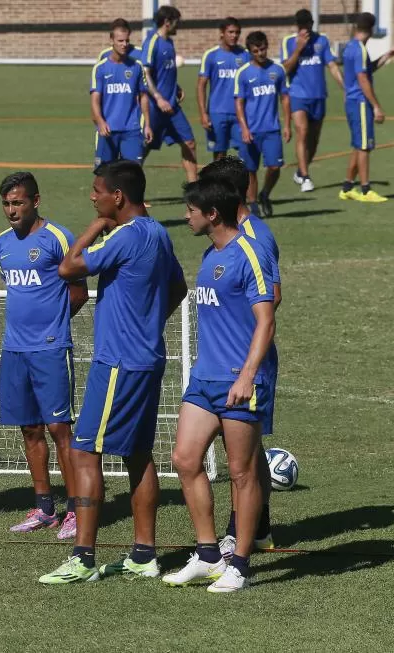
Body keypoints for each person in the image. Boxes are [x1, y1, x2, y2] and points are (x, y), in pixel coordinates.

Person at [39, 160, 186, 584]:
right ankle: (144, 554)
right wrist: (150, 323)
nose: (93, 196)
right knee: (137, 455)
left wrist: (95, 225)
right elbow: (177, 287)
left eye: (97, 192)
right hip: (147, 359)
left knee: (85, 450)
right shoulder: (158, 231)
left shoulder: (125, 235)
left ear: (117, 196)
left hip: (118, 363)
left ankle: (82, 558)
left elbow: (68, 266)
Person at [164, 177, 276, 593]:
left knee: (240, 473)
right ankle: (209, 554)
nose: (186, 216)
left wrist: (248, 376)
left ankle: (241, 565)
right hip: (205, 379)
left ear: (212, 214)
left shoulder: (250, 253)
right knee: (185, 459)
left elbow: (266, 319)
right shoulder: (212, 253)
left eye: (191, 210)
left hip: (239, 381)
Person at [0, 172, 88, 539]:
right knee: (29, 428)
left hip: (50, 349)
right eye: (6, 204)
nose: (12, 210)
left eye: (18, 202)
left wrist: (54, 325)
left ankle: (76, 509)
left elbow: (78, 291)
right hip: (14, 349)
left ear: (35, 201)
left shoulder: (58, 238)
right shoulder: (1, 244)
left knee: (59, 429)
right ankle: (44, 506)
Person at [197, 156, 280, 561]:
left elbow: (272, 299)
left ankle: (238, 534)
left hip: (246, 364)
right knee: (248, 450)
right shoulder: (224, 239)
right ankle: (257, 527)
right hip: (226, 361)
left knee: (241, 457)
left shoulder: (255, 238)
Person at [338, 13, 394, 203]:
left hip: (351, 101)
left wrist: (388, 54)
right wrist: (376, 107)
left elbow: (368, 69)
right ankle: (366, 190)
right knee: (365, 146)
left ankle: (347, 187)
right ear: (372, 30)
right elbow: (363, 79)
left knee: (359, 145)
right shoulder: (359, 50)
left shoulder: (351, 47)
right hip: (360, 102)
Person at [281, 8, 343, 192]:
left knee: (314, 140)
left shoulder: (322, 41)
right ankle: (306, 177)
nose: (305, 29)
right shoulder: (289, 42)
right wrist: (298, 49)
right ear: (297, 26)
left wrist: (344, 86)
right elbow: (285, 68)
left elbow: (331, 65)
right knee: (302, 132)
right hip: (298, 95)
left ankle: (300, 172)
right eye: (301, 25)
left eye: (308, 24)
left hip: (318, 96)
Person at [235, 31, 290, 219]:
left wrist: (287, 124)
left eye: (263, 48)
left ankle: (265, 194)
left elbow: (285, 98)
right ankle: (253, 204)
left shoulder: (278, 70)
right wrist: (244, 127)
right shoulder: (243, 73)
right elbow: (239, 102)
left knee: (274, 167)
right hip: (251, 130)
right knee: (250, 170)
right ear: (250, 51)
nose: (261, 53)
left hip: (272, 129)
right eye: (256, 50)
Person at [141, 5, 197, 182]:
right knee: (142, 148)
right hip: (154, 107)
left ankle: (195, 193)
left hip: (172, 106)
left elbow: (164, 72)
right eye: (176, 22)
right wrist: (158, 98)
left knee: (189, 143)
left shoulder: (169, 43)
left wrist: (176, 87)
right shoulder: (152, 42)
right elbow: (145, 73)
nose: (178, 26)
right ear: (167, 22)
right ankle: (127, 190)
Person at [90, 19, 152, 167]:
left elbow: (143, 96)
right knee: (103, 177)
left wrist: (148, 124)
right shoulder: (101, 68)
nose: (124, 44)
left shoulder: (136, 66)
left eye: (127, 40)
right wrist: (100, 121)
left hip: (132, 130)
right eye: (120, 40)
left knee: (133, 175)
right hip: (108, 130)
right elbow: (95, 99)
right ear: (111, 40)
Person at [197, 18, 249, 161]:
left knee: (246, 152)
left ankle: (241, 183)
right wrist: (203, 113)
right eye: (230, 32)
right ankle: (218, 183)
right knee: (220, 155)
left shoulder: (245, 55)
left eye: (237, 32)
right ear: (222, 33)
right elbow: (201, 85)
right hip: (217, 113)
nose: (234, 36)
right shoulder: (211, 55)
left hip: (240, 114)